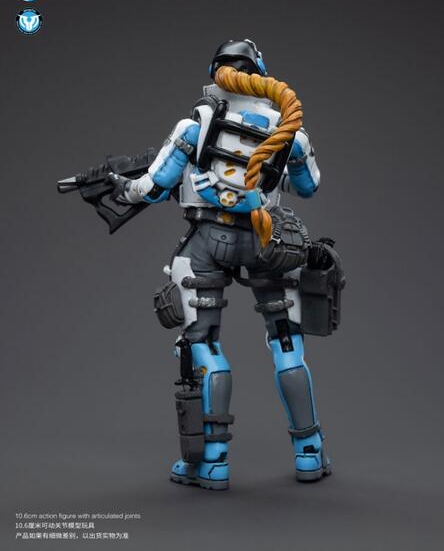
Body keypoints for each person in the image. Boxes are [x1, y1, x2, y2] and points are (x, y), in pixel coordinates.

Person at [108, 39, 331, 490]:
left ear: (216, 71)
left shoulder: (195, 125)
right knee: (286, 344)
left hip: (207, 244)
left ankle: (213, 463)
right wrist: (272, 171)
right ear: (259, 72)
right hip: (268, 242)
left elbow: (152, 187)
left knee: (204, 344)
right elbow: (308, 187)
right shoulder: (289, 129)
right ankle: (309, 453)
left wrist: (121, 187)